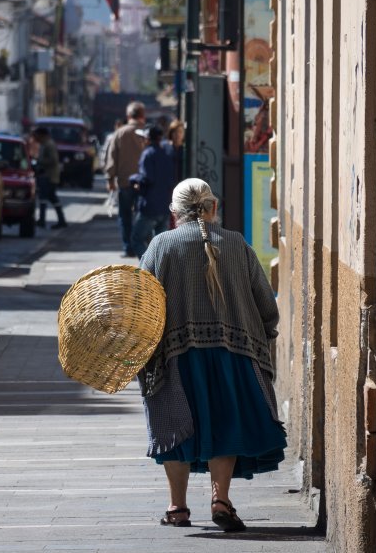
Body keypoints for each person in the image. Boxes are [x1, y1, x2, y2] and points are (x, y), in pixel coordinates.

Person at [137, 178, 286, 532]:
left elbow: (141, 304)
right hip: (234, 356)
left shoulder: (160, 247)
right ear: (213, 208)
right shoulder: (237, 244)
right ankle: (221, 500)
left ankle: (177, 507)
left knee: (174, 427)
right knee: (226, 426)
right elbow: (267, 306)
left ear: (174, 214)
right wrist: (263, 333)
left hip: (176, 356)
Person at [104, 101, 147, 257]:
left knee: (125, 215)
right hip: (144, 183)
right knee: (144, 215)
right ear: (143, 115)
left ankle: (128, 247)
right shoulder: (147, 133)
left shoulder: (120, 133)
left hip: (125, 182)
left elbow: (111, 157)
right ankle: (142, 245)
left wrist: (110, 179)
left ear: (129, 116)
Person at [130, 124, 177, 259]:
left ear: (148, 139)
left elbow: (147, 177)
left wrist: (133, 178)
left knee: (137, 239)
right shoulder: (167, 154)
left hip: (150, 206)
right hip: (165, 205)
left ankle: (148, 268)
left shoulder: (148, 154)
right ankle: (159, 271)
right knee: (160, 245)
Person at [32, 126, 67, 229]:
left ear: (42, 135)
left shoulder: (49, 145)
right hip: (47, 175)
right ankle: (61, 220)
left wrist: (39, 162)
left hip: (49, 176)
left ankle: (43, 220)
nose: (35, 138)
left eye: (37, 136)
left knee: (44, 197)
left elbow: (53, 160)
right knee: (52, 198)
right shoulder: (44, 145)